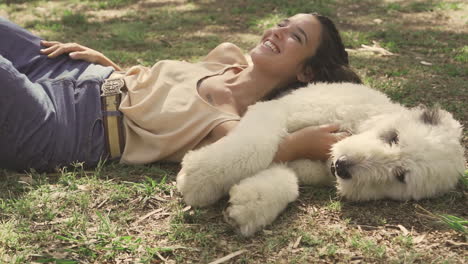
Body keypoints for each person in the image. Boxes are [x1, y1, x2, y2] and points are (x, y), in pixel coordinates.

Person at [0, 13, 361, 172]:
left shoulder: (230, 122)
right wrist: (111, 65)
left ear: (306, 71)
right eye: (283, 24)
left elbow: (244, 156)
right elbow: (166, 91)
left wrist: (300, 145)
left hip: (61, 125)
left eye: (295, 37)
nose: (278, 32)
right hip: (72, 70)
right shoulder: (225, 57)